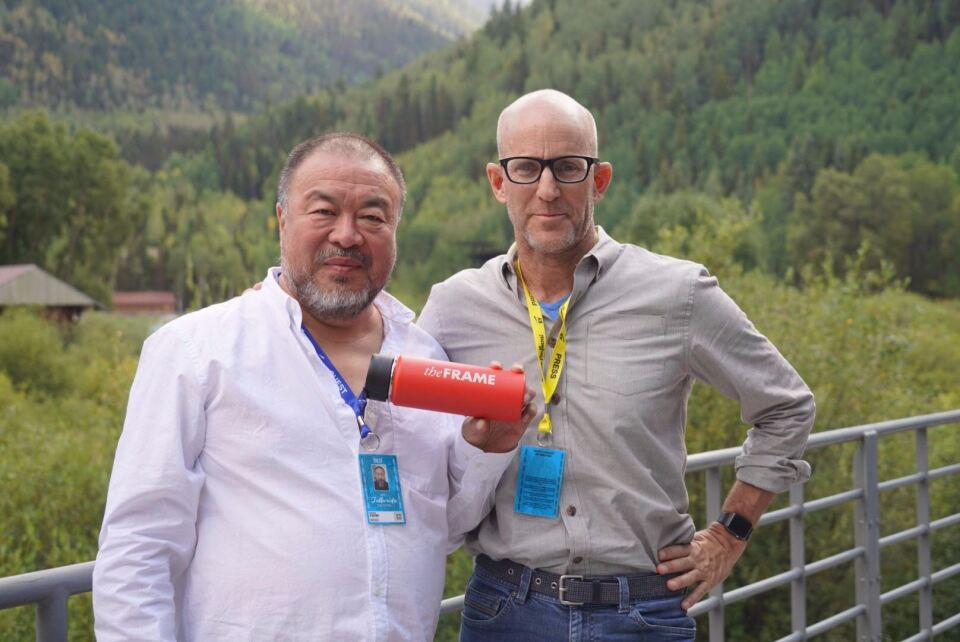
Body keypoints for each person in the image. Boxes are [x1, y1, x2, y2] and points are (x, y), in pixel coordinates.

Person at [93, 132, 535, 642]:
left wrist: (485, 449)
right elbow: (138, 549)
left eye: (373, 216)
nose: (347, 235)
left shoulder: (425, 358)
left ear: (395, 230)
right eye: (323, 211)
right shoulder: (196, 351)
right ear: (282, 219)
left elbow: (444, 527)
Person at [417, 90, 816, 641]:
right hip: (505, 610)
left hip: (643, 612)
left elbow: (786, 406)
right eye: (527, 168)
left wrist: (729, 535)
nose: (548, 190)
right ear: (498, 182)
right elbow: (406, 437)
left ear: (599, 179)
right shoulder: (454, 307)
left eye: (568, 168)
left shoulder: (678, 294)